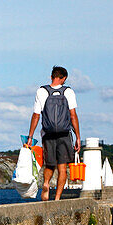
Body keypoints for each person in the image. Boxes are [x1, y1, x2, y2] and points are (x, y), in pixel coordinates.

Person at [26, 66, 81, 201]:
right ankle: (57, 198)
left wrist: (30, 136)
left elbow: (36, 115)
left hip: (48, 134)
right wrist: (78, 137)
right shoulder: (68, 92)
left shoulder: (42, 91)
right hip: (64, 134)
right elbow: (73, 115)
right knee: (62, 168)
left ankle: (46, 184)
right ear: (64, 78)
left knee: (50, 164)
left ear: (51, 76)